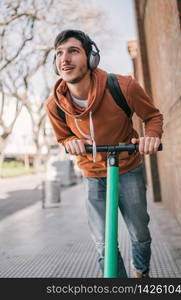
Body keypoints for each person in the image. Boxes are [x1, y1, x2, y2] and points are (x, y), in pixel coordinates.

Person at [46, 29, 163, 278]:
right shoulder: (55, 104)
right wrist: (70, 141)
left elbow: (152, 116)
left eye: (73, 51)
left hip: (128, 168)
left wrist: (151, 136)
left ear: (91, 59)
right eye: (59, 53)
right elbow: (63, 137)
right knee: (102, 244)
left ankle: (141, 273)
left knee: (140, 233)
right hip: (92, 173)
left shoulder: (122, 86)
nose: (64, 59)